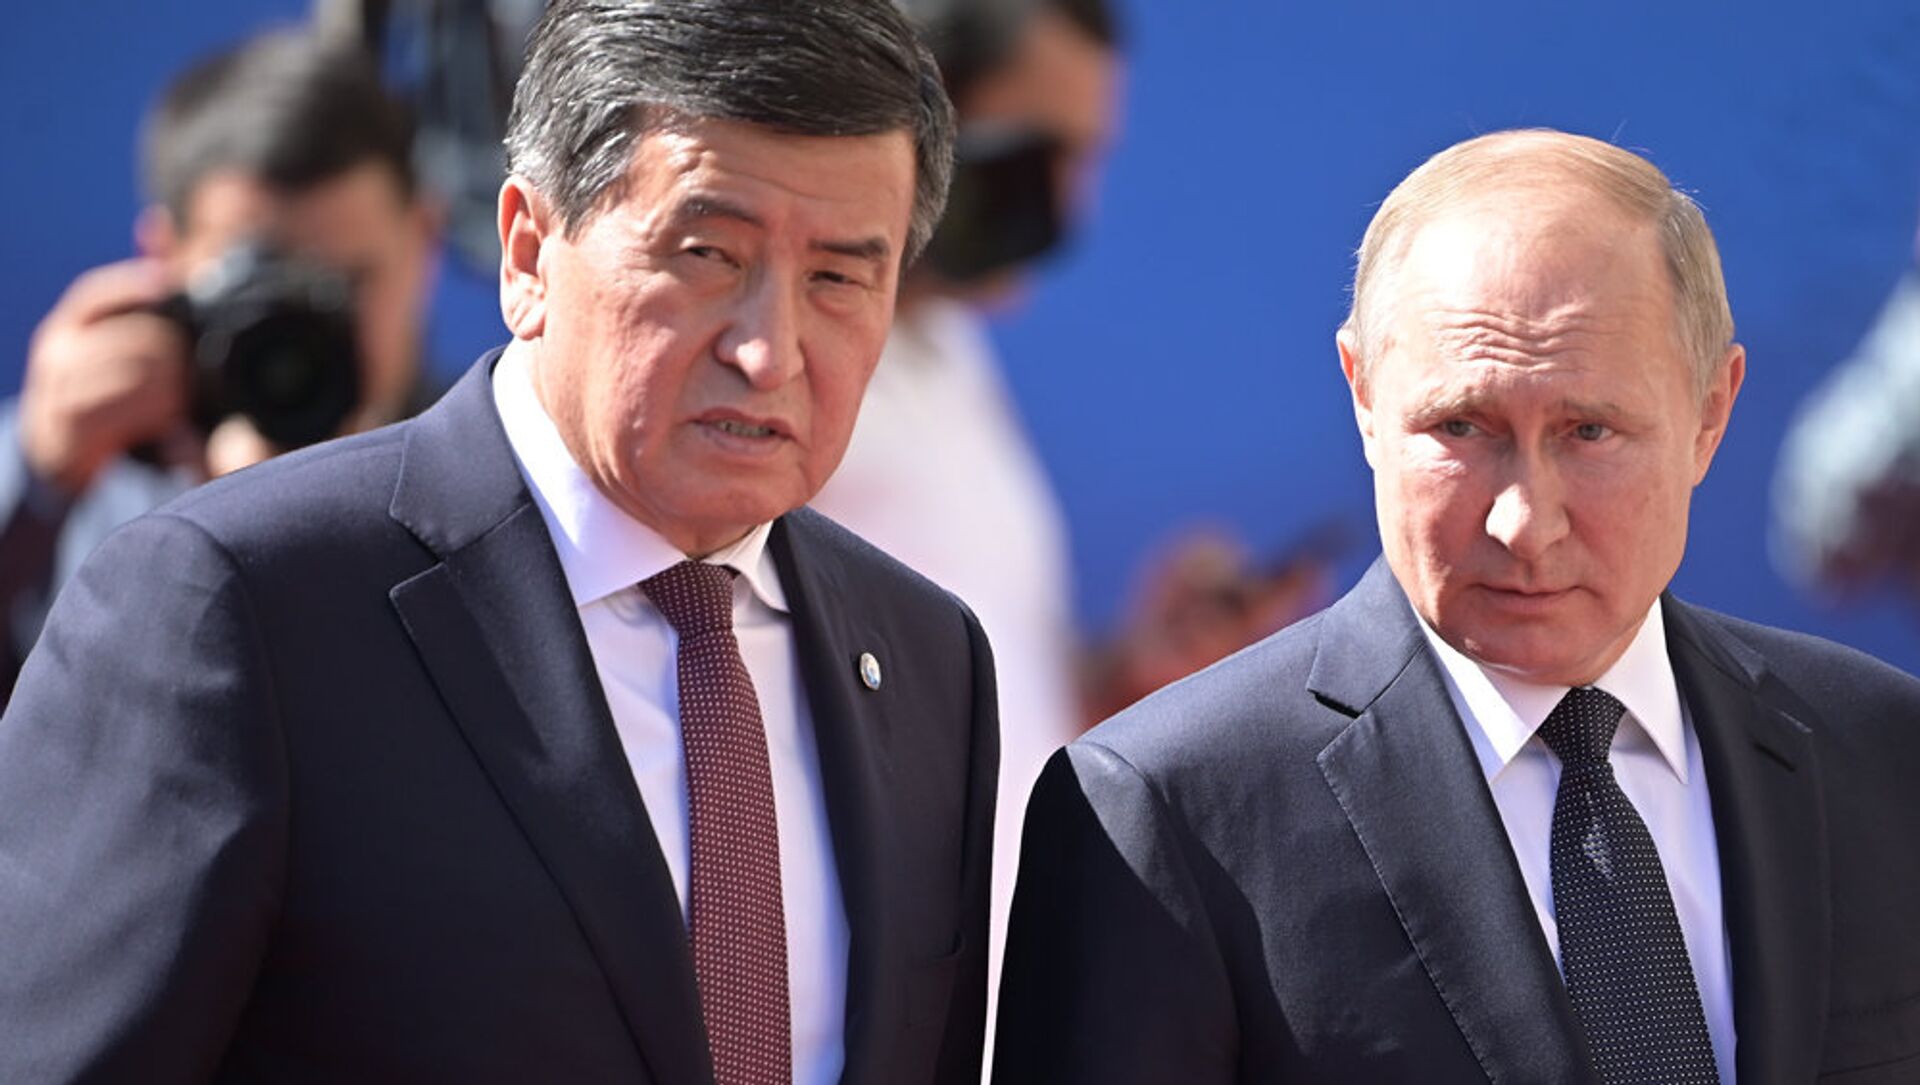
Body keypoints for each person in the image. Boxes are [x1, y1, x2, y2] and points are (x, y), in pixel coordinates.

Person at [0, 2, 995, 1083]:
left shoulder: (927, 659)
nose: (770, 350)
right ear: (528, 251)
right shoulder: (237, 603)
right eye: (708, 253)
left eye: (839, 278)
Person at [993, 129, 1920, 1082]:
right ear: (1363, 396)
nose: (1525, 523)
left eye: (1589, 431)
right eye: (1463, 426)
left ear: (1710, 414)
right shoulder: (1162, 815)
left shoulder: (1888, 753)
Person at [0, 29, 442, 698]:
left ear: (424, 241)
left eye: (345, 284)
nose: (303, 332)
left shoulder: (494, 482)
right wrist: (36, 496)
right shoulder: (74, 468)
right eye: (262, 285)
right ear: (164, 258)